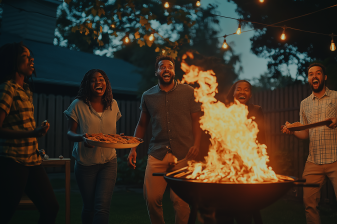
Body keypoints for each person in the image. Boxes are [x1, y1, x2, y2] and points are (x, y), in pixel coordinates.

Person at [127, 55, 202, 224]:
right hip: (157, 152)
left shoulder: (189, 92)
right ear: (157, 72)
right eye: (162, 67)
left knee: (180, 201)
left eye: (170, 66)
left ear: (174, 71)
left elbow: (197, 121)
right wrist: (133, 148)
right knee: (151, 197)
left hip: (183, 153)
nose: (166, 69)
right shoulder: (148, 96)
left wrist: (196, 144)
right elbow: (142, 124)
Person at [282, 63, 337, 224]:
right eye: (311, 74)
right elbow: (304, 134)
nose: (314, 76)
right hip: (313, 162)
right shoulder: (305, 103)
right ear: (308, 79)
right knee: (309, 205)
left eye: (318, 73)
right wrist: (293, 130)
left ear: (324, 77)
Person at [0, 42, 58, 224]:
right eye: (25, 56)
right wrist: (32, 133)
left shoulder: (25, 90)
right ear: (12, 61)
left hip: (32, 161)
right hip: (13, 161)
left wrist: (36, 131)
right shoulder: (7, 89)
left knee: (51, 208)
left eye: (30, 56)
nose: (31, 59)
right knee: (5, 212)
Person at [64, 69, 122, 224]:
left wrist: (118, 139)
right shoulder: (78, 105)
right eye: (93, 80)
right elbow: (70, 133)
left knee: (102, 207)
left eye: (101, 79)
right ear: (87, 84)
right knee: (89, 207)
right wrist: (82, 138)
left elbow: (108, 134)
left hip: (109, 162)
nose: (98, 82)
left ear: (106, 83)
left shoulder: (114, 105)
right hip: (85, 163)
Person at [216, 80, 265, 224]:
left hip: (247, 168)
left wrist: (260, 164)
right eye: (239, 89)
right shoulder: (224, 112)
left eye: (246, 89)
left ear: (250, 95)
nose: (242, 92)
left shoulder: (256, 110)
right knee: (223, 213)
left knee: (245, 212)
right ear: (233, 93)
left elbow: (262, 140)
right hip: (226, 167)